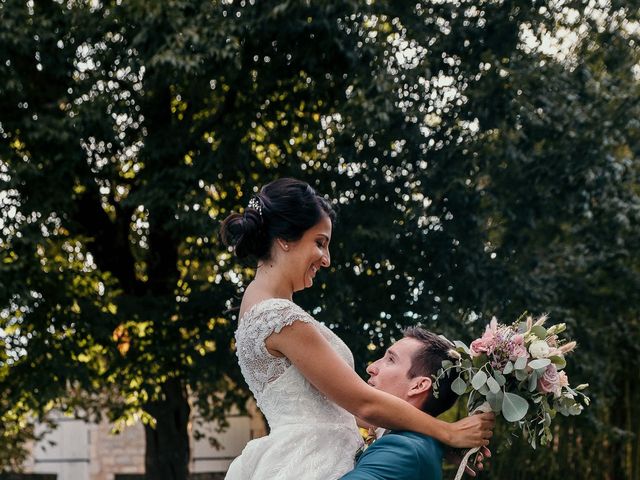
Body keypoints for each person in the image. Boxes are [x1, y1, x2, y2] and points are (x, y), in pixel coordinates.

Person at [220, 178, 494, 480]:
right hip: (312, 460)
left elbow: (353, 413)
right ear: (285, 238)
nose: (326, 259)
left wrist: (436, 444)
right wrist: (449, 432)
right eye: (320, 242)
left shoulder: (258, 307)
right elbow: (364, 403)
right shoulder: (280, 317)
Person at [341, 326, 489, 480]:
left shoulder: (403, 449)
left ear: (418, 386)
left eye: (390, 360)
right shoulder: (417, 443)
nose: (371, 368)